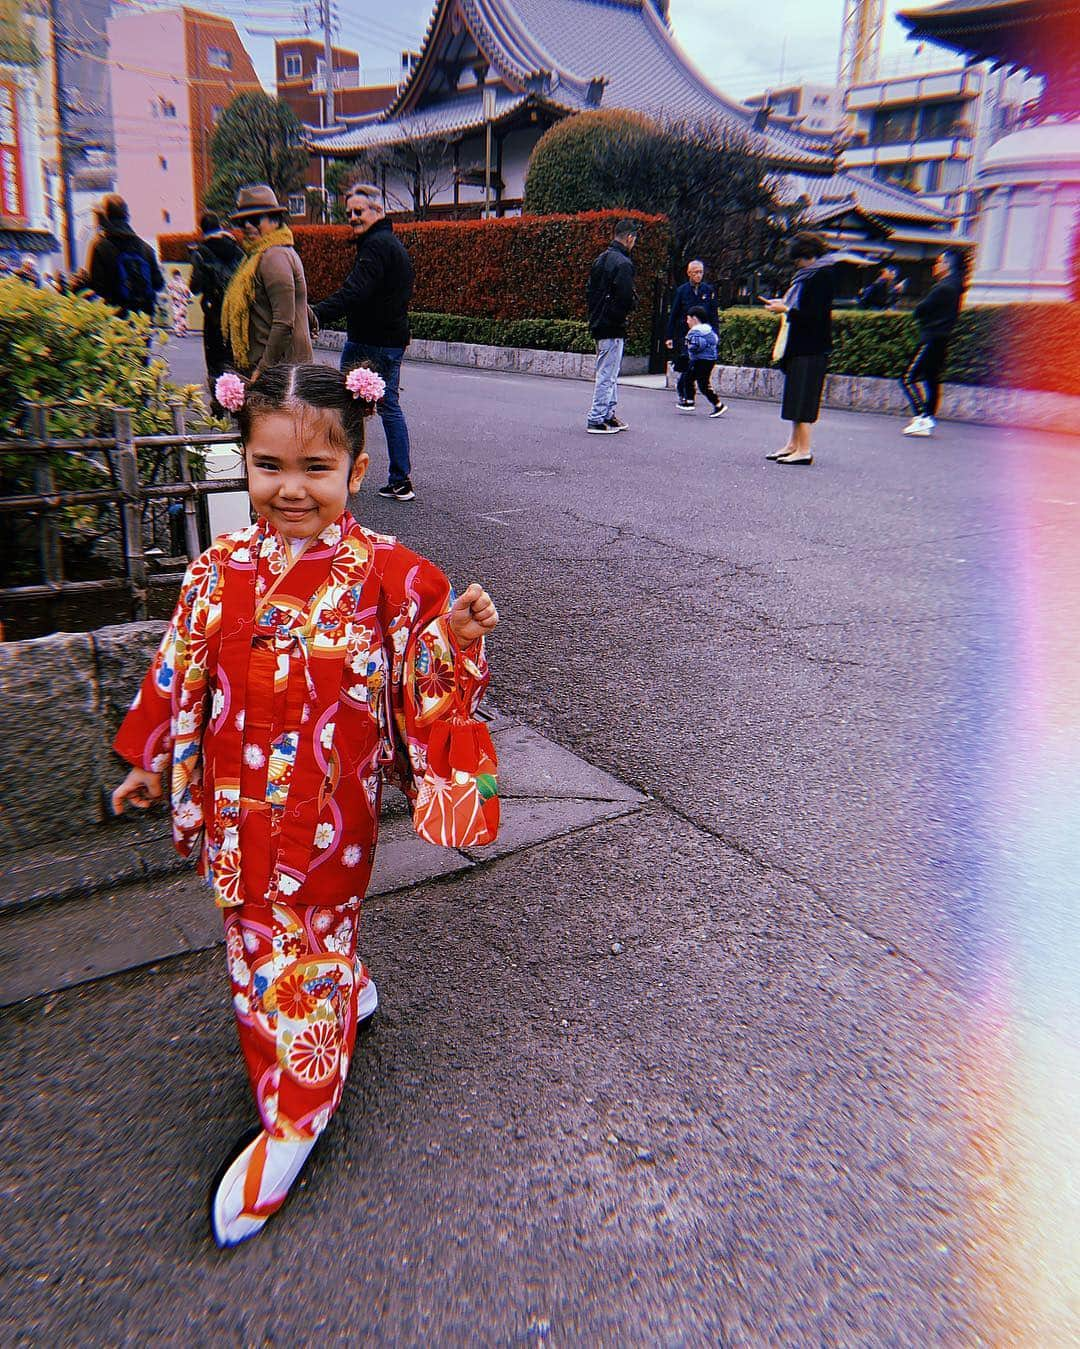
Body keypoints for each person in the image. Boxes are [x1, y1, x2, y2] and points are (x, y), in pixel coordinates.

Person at [110, 360, 500, 1248]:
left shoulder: (386, 574)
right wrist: (146, 752)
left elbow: (421, 666)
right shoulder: (218, 570)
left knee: (296, 945)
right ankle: (339, 990)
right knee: (256, 938)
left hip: (327, 816)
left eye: (316, 470)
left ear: (356, 472)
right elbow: (180, 666)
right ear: (241, 461)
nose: (291, 489)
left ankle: (296, 1110)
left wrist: (453, 636)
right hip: (238, 806)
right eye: (269, 466)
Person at [311, 182, 416, 502]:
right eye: (349, 213)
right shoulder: (392, 244)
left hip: (369, 343)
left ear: (378, 211)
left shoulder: (375, 247)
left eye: (359, 212)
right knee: (388, 407)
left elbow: (355, 293)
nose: (353, 218)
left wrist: (314, 314)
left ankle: (340, 475)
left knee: (347, 408)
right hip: (390, 341)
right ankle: (400, 479)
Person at [220, 185, 312, 379]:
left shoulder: (273, 256)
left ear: (274, 219)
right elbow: (295, 303)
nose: (247, 226)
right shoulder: (267, 254)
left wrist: (262, 369)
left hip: (278, 371)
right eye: (242, 221)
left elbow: (284, 322)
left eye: (254, 219)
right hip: (280, 367)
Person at [762, 231, 835, 467]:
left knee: (804, 398)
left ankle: (804, 449)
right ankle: (793, 444)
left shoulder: (822, 276)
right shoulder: (807, 276)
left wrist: (785, 309)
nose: (797, 264)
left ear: (809, 255)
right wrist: (783, 307)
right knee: (794, 397)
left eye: (798, 259)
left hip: (811, 346)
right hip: (800, 345)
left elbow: (814, 315)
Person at [900, 251, 965, 437]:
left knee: (907, 378)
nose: (935, 266)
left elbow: (921, 310)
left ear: (947, 264)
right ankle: (927, 417)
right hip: (942, 338)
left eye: (938, 262)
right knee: (931, 379)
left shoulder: (943, 287)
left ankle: (922, 417)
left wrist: (921, 314)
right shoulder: (956, 286)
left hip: (930, 336)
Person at [585, 219, 639, 434]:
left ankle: (607, 413)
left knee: (608, 371)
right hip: (612, 325)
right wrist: (620, 316)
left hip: (599, 322)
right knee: (608, 374)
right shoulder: (623, 264)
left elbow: (590, 291)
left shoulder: (601, 260)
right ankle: (596, 417)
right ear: (629, 238)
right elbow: (625, 298)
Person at [189, 210, 243, 408]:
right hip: (237, 313)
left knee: (215, 361)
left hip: (213, 314)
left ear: (202, 229)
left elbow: (195, 287)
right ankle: (237, 401)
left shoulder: (201, 252)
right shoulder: (237, 249)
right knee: (235, 358)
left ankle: (219, 404)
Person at [85, 194, 164, 319]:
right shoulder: (146, 248)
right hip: (144, 319)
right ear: (127, 216)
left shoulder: (100, 246)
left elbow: (96, 287)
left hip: (116, 320)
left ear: (106, 216)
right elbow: (159, 284)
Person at [666, 259, 720, 408]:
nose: (698, 275)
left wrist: (715, 334)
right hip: (686, 333)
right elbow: (674, 314)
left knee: (697, 364)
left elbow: (713, 314)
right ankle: (685, 393)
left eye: (701, 272)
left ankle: (688, 392)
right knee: (689, 363)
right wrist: (669, 336)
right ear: (689, 273)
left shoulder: (708, 291)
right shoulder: (682, 291)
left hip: (703, 334)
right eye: (695, 272)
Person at [680, 306, 727, 418]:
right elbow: (715, 340)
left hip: (699, 360)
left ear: (694, 319)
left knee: (699, 383)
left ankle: (717, 404)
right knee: (691, 378)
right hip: (710, 359)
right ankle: (690, 401)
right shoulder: (709, 330)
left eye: (688, 319)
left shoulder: (695, 332)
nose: (687, 322)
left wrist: (688, 345)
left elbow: (695, 346)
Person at [166, 268, 192, 336]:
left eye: (177, 275)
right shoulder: (172, 283)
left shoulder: (182, 282)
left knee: (182, 316)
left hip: (182, 302)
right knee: (177, 316)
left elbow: (187, 291)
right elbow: (170, 292)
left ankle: (182, 331)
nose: (176, 276)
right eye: (175, 275)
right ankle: (178, 331)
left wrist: (187, 296)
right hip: (176, 302)